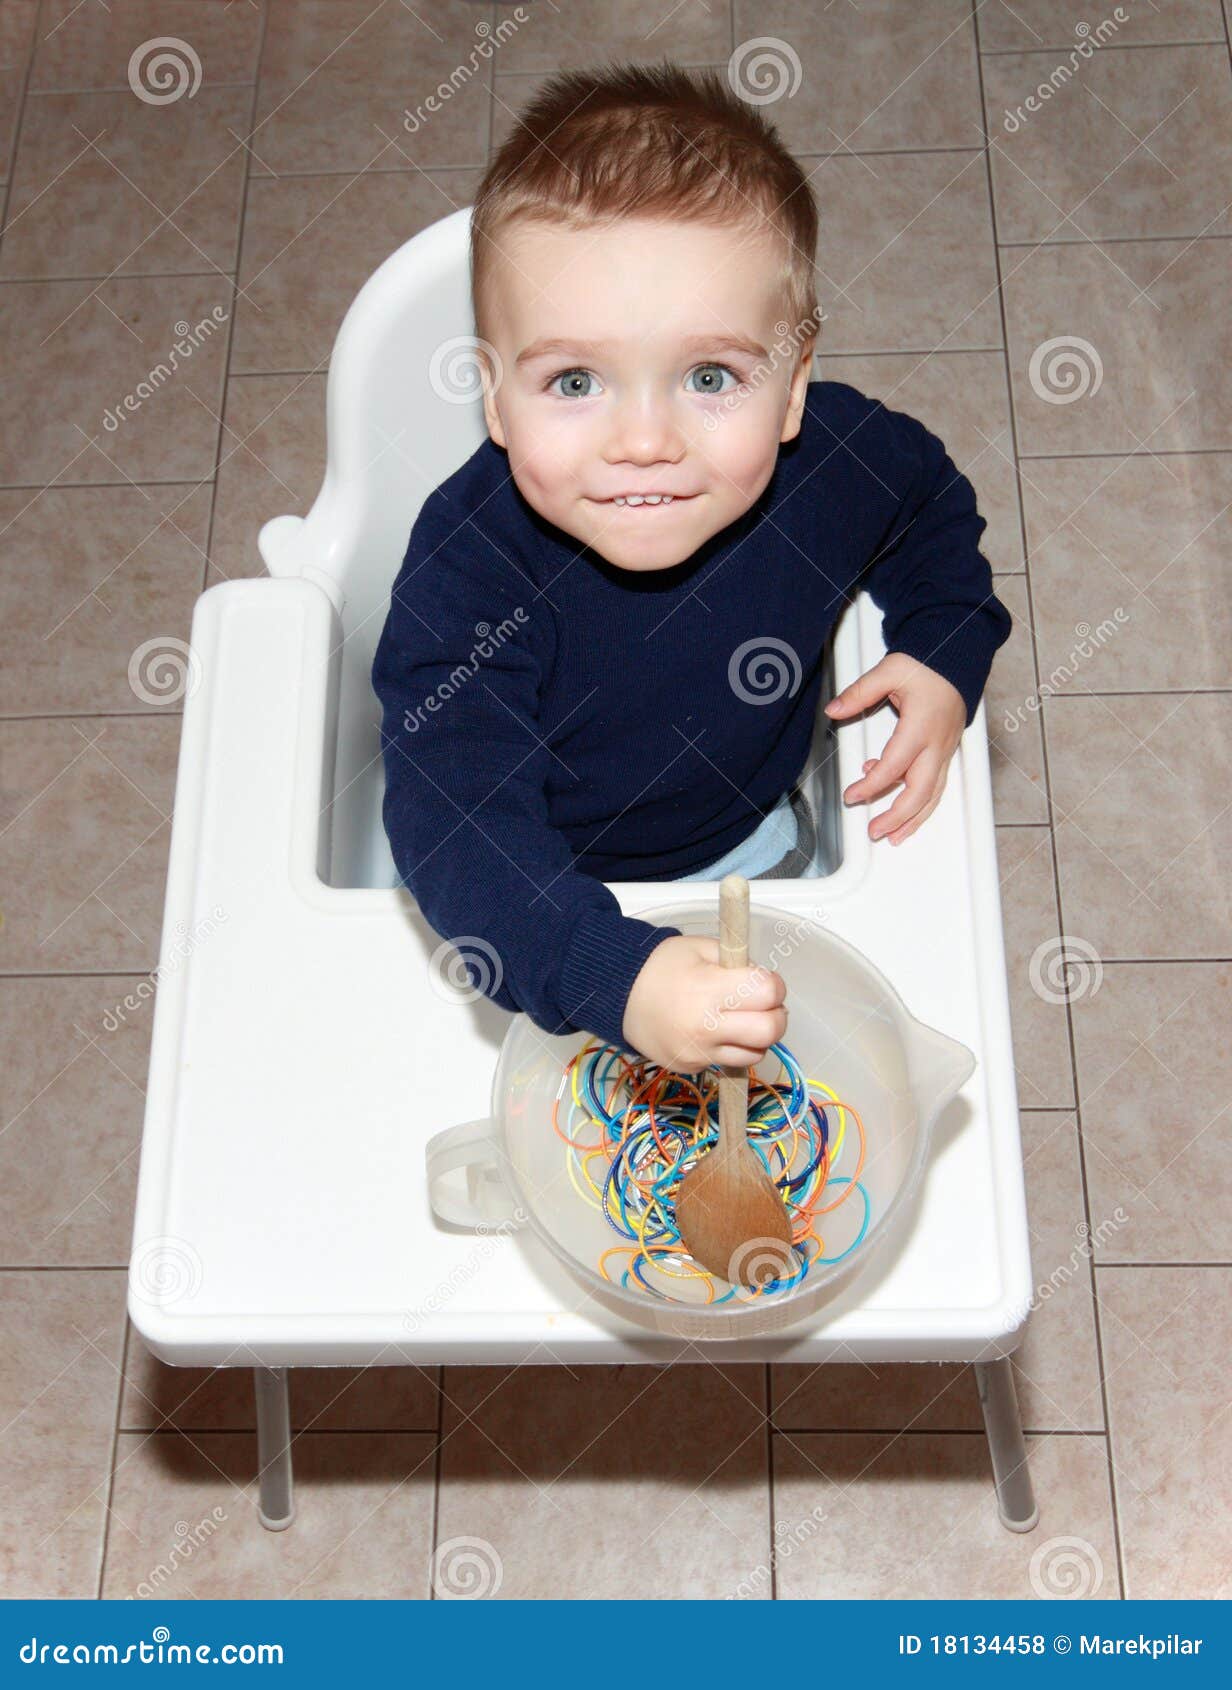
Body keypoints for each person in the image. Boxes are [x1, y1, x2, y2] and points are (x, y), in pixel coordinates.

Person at [371, 62, 1012, 1076]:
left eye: (708, 377)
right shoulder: (468, 571)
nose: (643, 438)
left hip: (753, 844)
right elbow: (452, 817)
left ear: (792, 387)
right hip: (544, 894)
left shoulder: (829, 464)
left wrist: (941, 641)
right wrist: (611, 971)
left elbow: (925, 498)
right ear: (493, 399)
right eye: (573, 380)